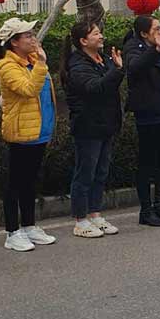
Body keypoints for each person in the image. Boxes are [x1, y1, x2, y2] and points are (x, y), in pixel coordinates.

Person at [0, 18, 58, 252]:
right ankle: (12, 231)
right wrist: (41, 64)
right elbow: (28, 89)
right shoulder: (7, 66)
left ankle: (29, 225)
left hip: (39, 130)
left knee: (31, 182)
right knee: (15, 183)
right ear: (14, 42)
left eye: (32, 34)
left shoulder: (31, 60)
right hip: (21, 132)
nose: (33, 38)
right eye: (27, 36)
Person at [62, 20, 125, 238]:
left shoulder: (103, 59)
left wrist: (116, 69)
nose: (101, 37)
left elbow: (111, 84)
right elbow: (94, 88)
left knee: (101, 172)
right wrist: (117, 70)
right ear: (83, 41)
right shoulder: (78, 64)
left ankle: (95, 214)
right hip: (88, 126)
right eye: (96, 34)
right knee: (85, 173)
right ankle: (80, 220)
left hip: (106, 123)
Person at [124, 15, 160, 227]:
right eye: (156, 28)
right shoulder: (133, 47)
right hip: (148, 114)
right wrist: (154, 50)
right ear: (144, 33)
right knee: (147, 162)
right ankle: (146, 210)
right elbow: (135, 68)